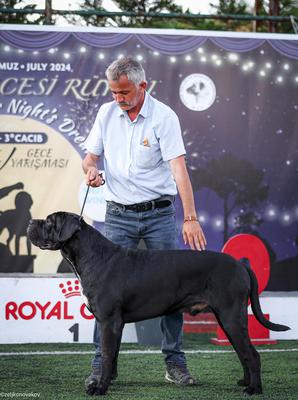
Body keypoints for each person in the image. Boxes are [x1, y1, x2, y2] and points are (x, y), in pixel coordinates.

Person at [82, 57, 206, 390]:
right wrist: (90, 170)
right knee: (106, 295)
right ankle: (102, 364)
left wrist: (190, 217)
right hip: (118, 215)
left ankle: (174, 362)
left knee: (174, 289)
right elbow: (90, 157)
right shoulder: (106, 113)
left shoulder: (164, 117)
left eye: (124, 92)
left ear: (143, 87)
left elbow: (179, 170)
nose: (118, 98)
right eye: (113, 92)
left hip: (159, 216)